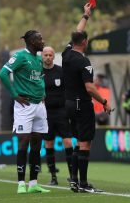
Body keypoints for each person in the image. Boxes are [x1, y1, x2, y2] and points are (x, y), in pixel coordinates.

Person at [62, 2, 112, 193]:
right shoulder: (83, 61)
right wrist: (105, 102)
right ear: (85, 42)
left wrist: (86, 15)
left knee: (78, 142)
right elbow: (90, 87)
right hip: (81, 105)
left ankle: (74, 180)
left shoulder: (67, 54)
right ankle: (83, 183)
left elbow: (77, 32)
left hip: (68, 104)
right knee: (85, 143)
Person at [0, 30, 50, 194]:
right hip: (24, 106)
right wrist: (14, 95)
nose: (42, 41)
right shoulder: (21, 56)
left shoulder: (38, 59)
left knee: (37, 144)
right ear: (31, 41)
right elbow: (3, 74)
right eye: (39, 39)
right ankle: (21, 183)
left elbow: (39, 78)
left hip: (39, 106)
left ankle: (33, 183)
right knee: (23, 142)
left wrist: (43, 94)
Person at [42, 46, 73, 185]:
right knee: (49, 143)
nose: (48, 57)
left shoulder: (61, 71)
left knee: (67, 141)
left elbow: (68, 90)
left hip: (61, 112)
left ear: (54, 56)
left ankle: (73, 176)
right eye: (46, 55)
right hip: (46, 113)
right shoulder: (38, 73)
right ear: (42, 56)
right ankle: (53, 177)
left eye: (50, 55)